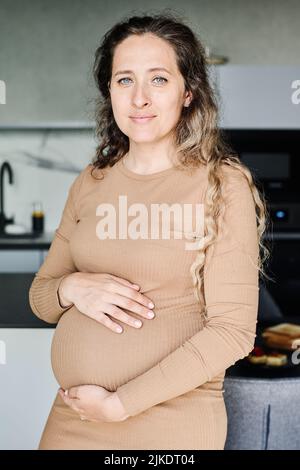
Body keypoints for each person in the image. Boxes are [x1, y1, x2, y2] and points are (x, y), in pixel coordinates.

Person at [29, 12, 271, 450]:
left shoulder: (222, 184)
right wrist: (72, 287)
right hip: (73, 418)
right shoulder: (91, 181)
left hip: (172, 422)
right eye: (125, 80)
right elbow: (42, 298)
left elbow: (232, 332)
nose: (139, 97)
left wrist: (122, 404)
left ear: (188, 93)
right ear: (109, 91)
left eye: (158, 79)